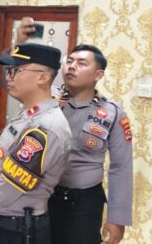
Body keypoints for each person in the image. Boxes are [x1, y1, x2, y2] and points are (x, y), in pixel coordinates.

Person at [16, 18, 132, 244]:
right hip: (41, 196)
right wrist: (20, 43)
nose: (71, 66)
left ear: (98, 75)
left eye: (81, 63)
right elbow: (15, 81)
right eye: (69, 61)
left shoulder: (112, 113)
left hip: (84, 204)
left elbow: (121, 167)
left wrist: (117, 218)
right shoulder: (46, 99)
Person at [0, 43, 72, 244]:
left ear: (43, 77)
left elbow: (11, 184)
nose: (8, 77)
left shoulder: (47, 126)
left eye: (16, 70)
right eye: (9, 70)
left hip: (15, 228)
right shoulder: (28, 115)